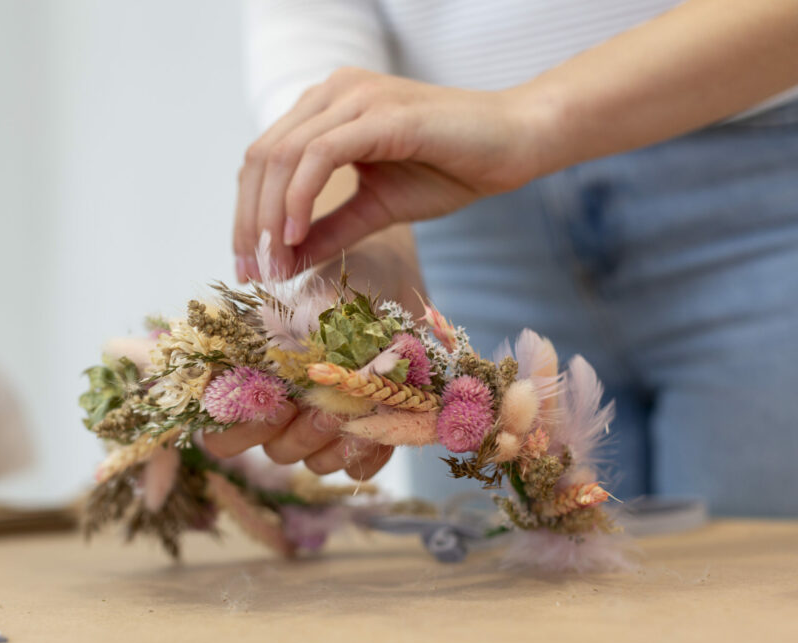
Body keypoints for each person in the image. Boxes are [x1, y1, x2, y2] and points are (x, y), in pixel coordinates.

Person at [202, 0, 798, 516]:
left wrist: (527, 121)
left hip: (761, 193)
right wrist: (367, 245)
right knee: (496, 611)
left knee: (752, 612)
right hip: (458, 210)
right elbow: (314, 19)